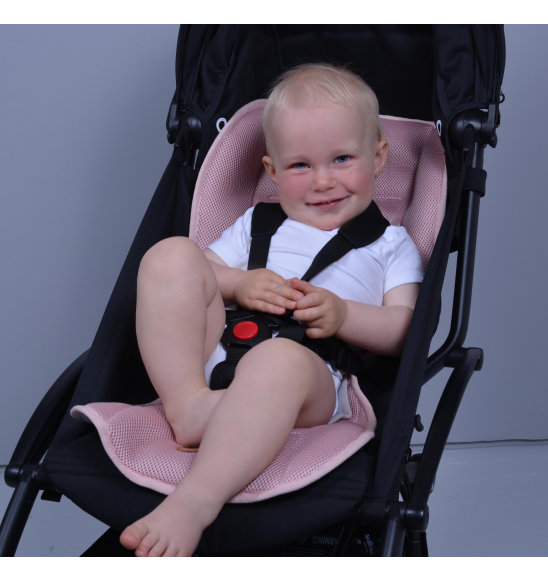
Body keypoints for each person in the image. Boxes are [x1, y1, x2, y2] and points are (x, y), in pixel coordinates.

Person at [122, 64, 424, 556]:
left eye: (342, 158)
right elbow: (201, 275)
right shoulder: (255, 223)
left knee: (279, 359)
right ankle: (187, 405)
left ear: (378, 158)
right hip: (216, 356)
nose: (323, 180)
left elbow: (404, 329)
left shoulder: (391, 245)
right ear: (272, 172)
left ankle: (195, 502)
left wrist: (345, 316)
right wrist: (240, 282)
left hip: (309, 378)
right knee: (170, 255)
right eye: (300, 166)